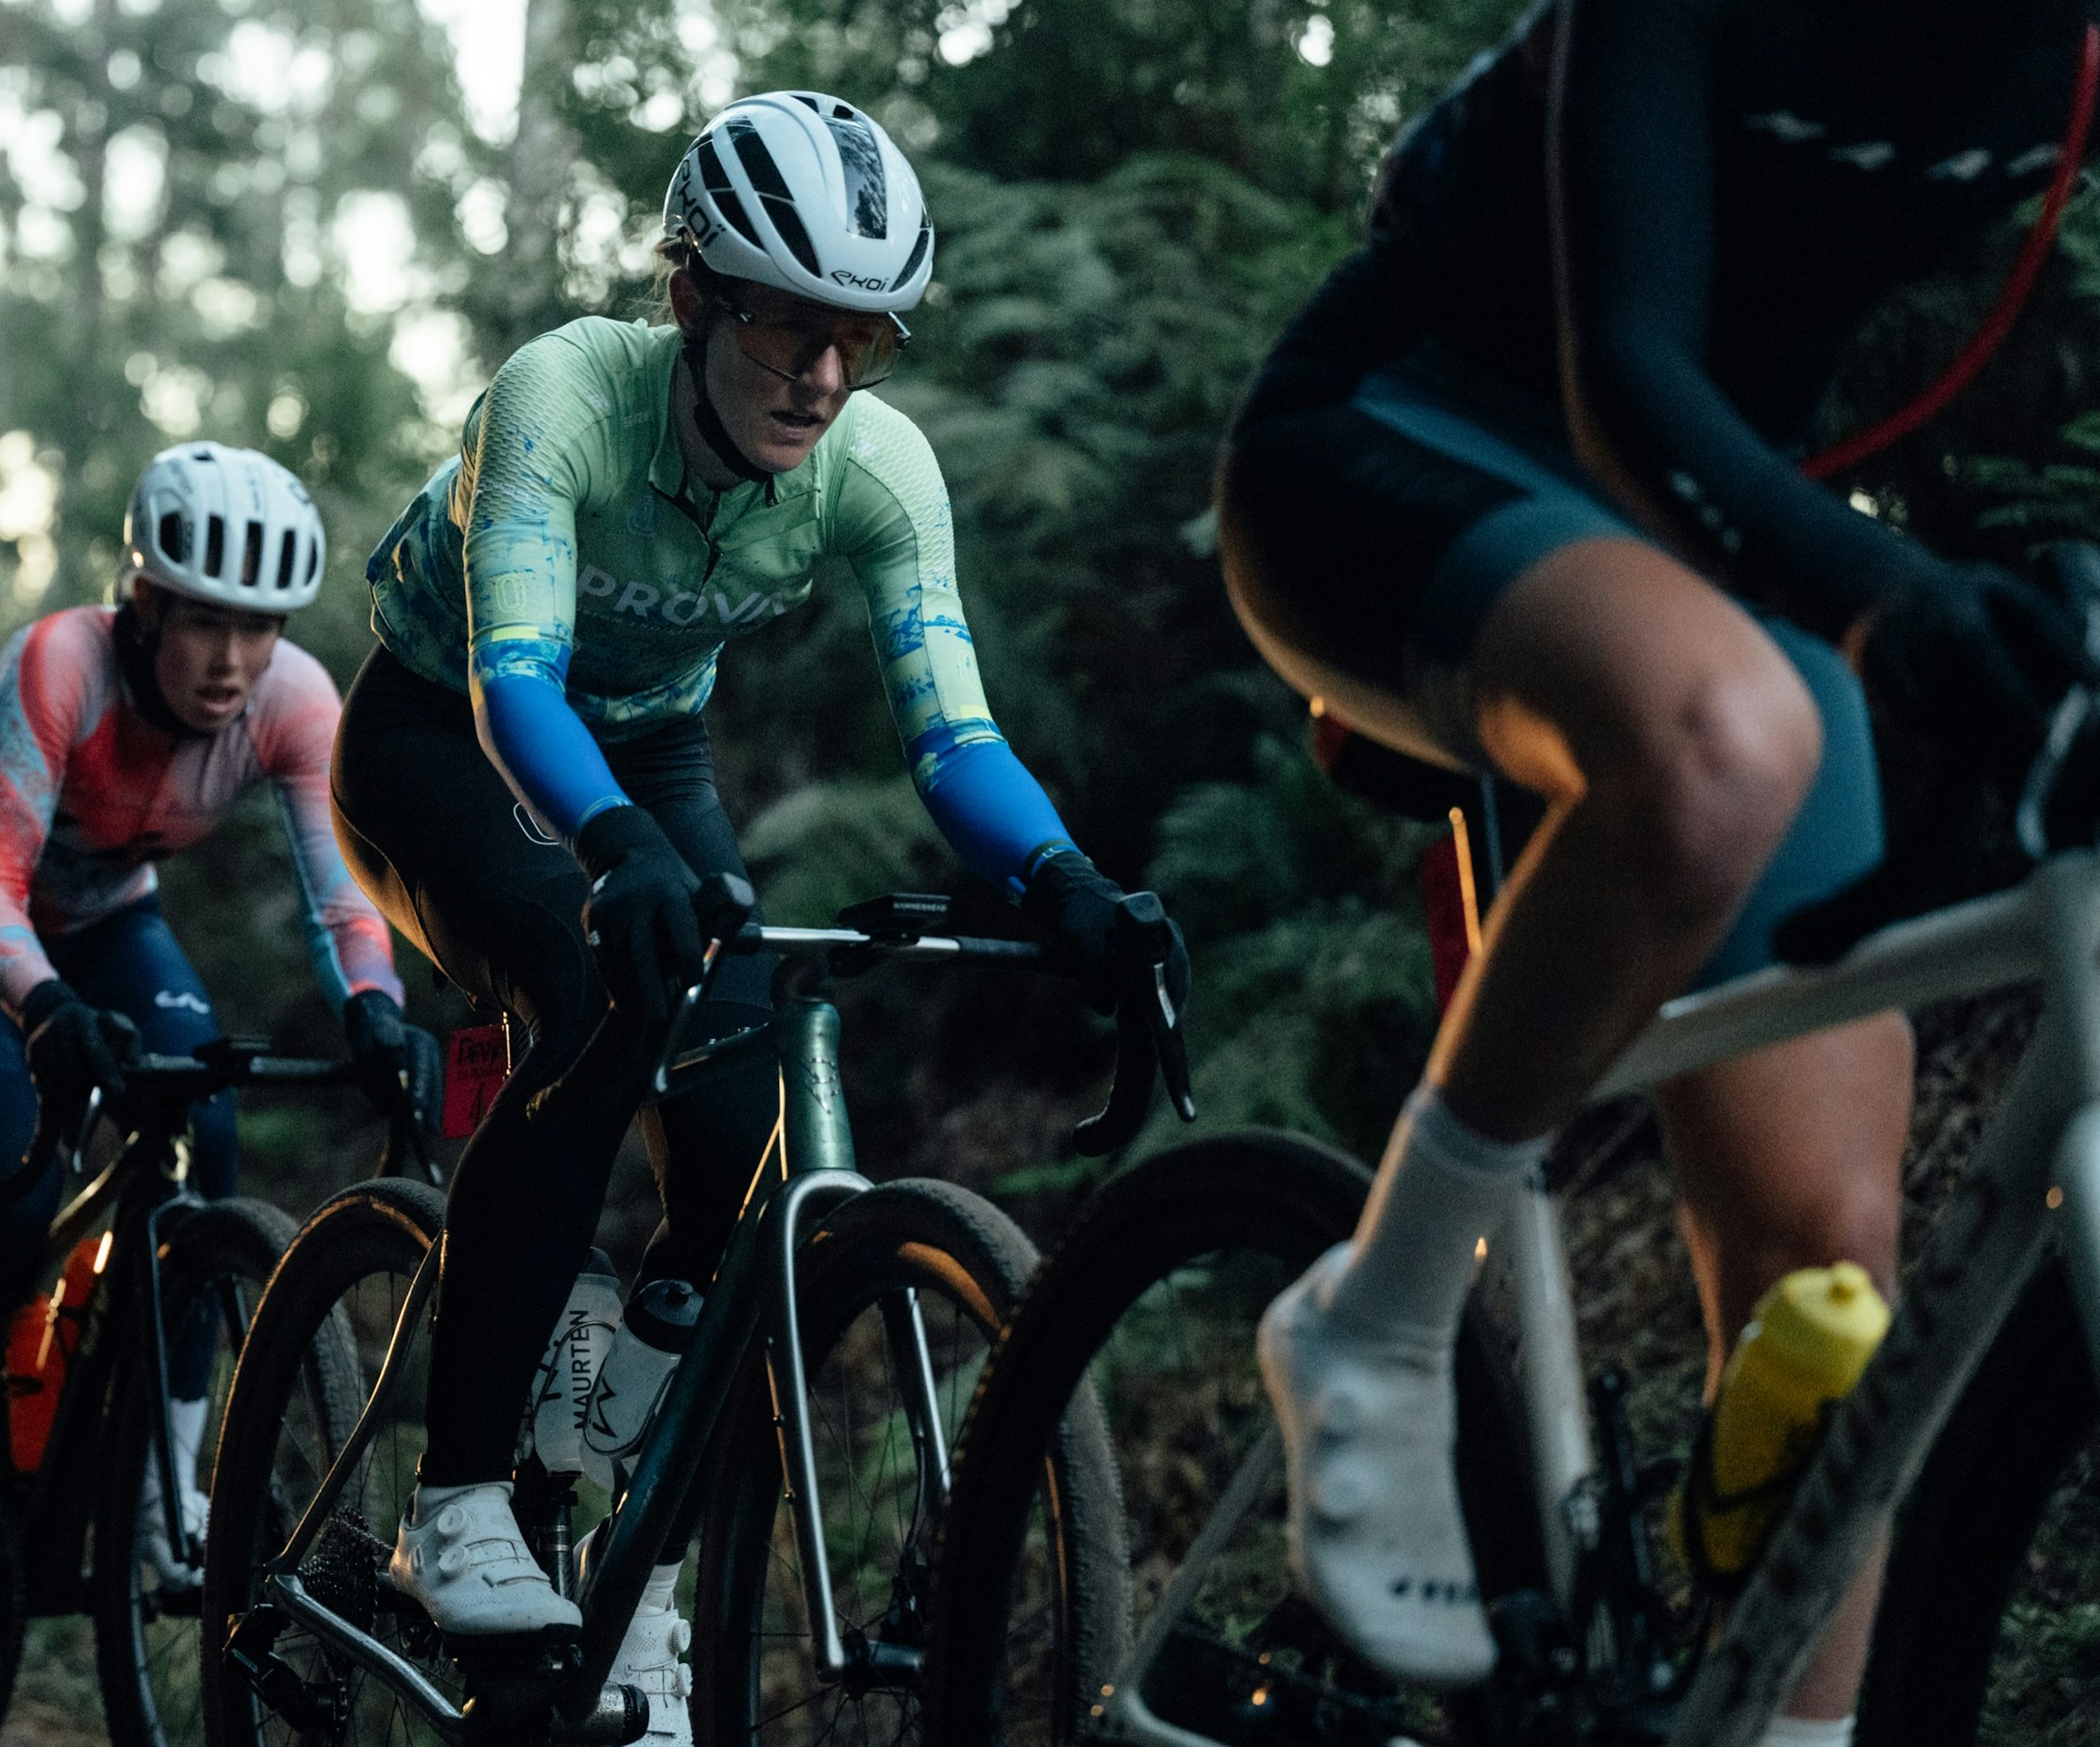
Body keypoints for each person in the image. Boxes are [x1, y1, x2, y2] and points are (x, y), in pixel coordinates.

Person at [1217, 0, 2100, 1736]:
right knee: (1724, 744)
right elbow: (1627, 368)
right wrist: (1891, 604)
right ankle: (1376, 1319)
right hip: (1400, 439)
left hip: (1700, 542)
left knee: (1830, 1276)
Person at [334, 90, 1184, 1741]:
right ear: (690, 300)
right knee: (594, 1001)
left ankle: (625, 1509)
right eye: (790, 327)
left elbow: (955, 737)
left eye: (864, 338)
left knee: (737, 1125)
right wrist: (607, 847)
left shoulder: (878, 465)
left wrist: (1065, 877)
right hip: (443, 735)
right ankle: (455, 1498)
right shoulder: (562, 395)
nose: (823, 375)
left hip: (649, 747)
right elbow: (517, 685)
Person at [0, 442, 433, 1640]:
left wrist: (376, 1006)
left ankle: (166, 1486)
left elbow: (340, 897)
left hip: (109, 922)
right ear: (144, 604)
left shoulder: (295, 700)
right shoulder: (62, 663)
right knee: (15, 1193)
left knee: (207, 1125)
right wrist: (46, 1010)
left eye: (259, 627)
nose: (232, 661)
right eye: (204, 621)